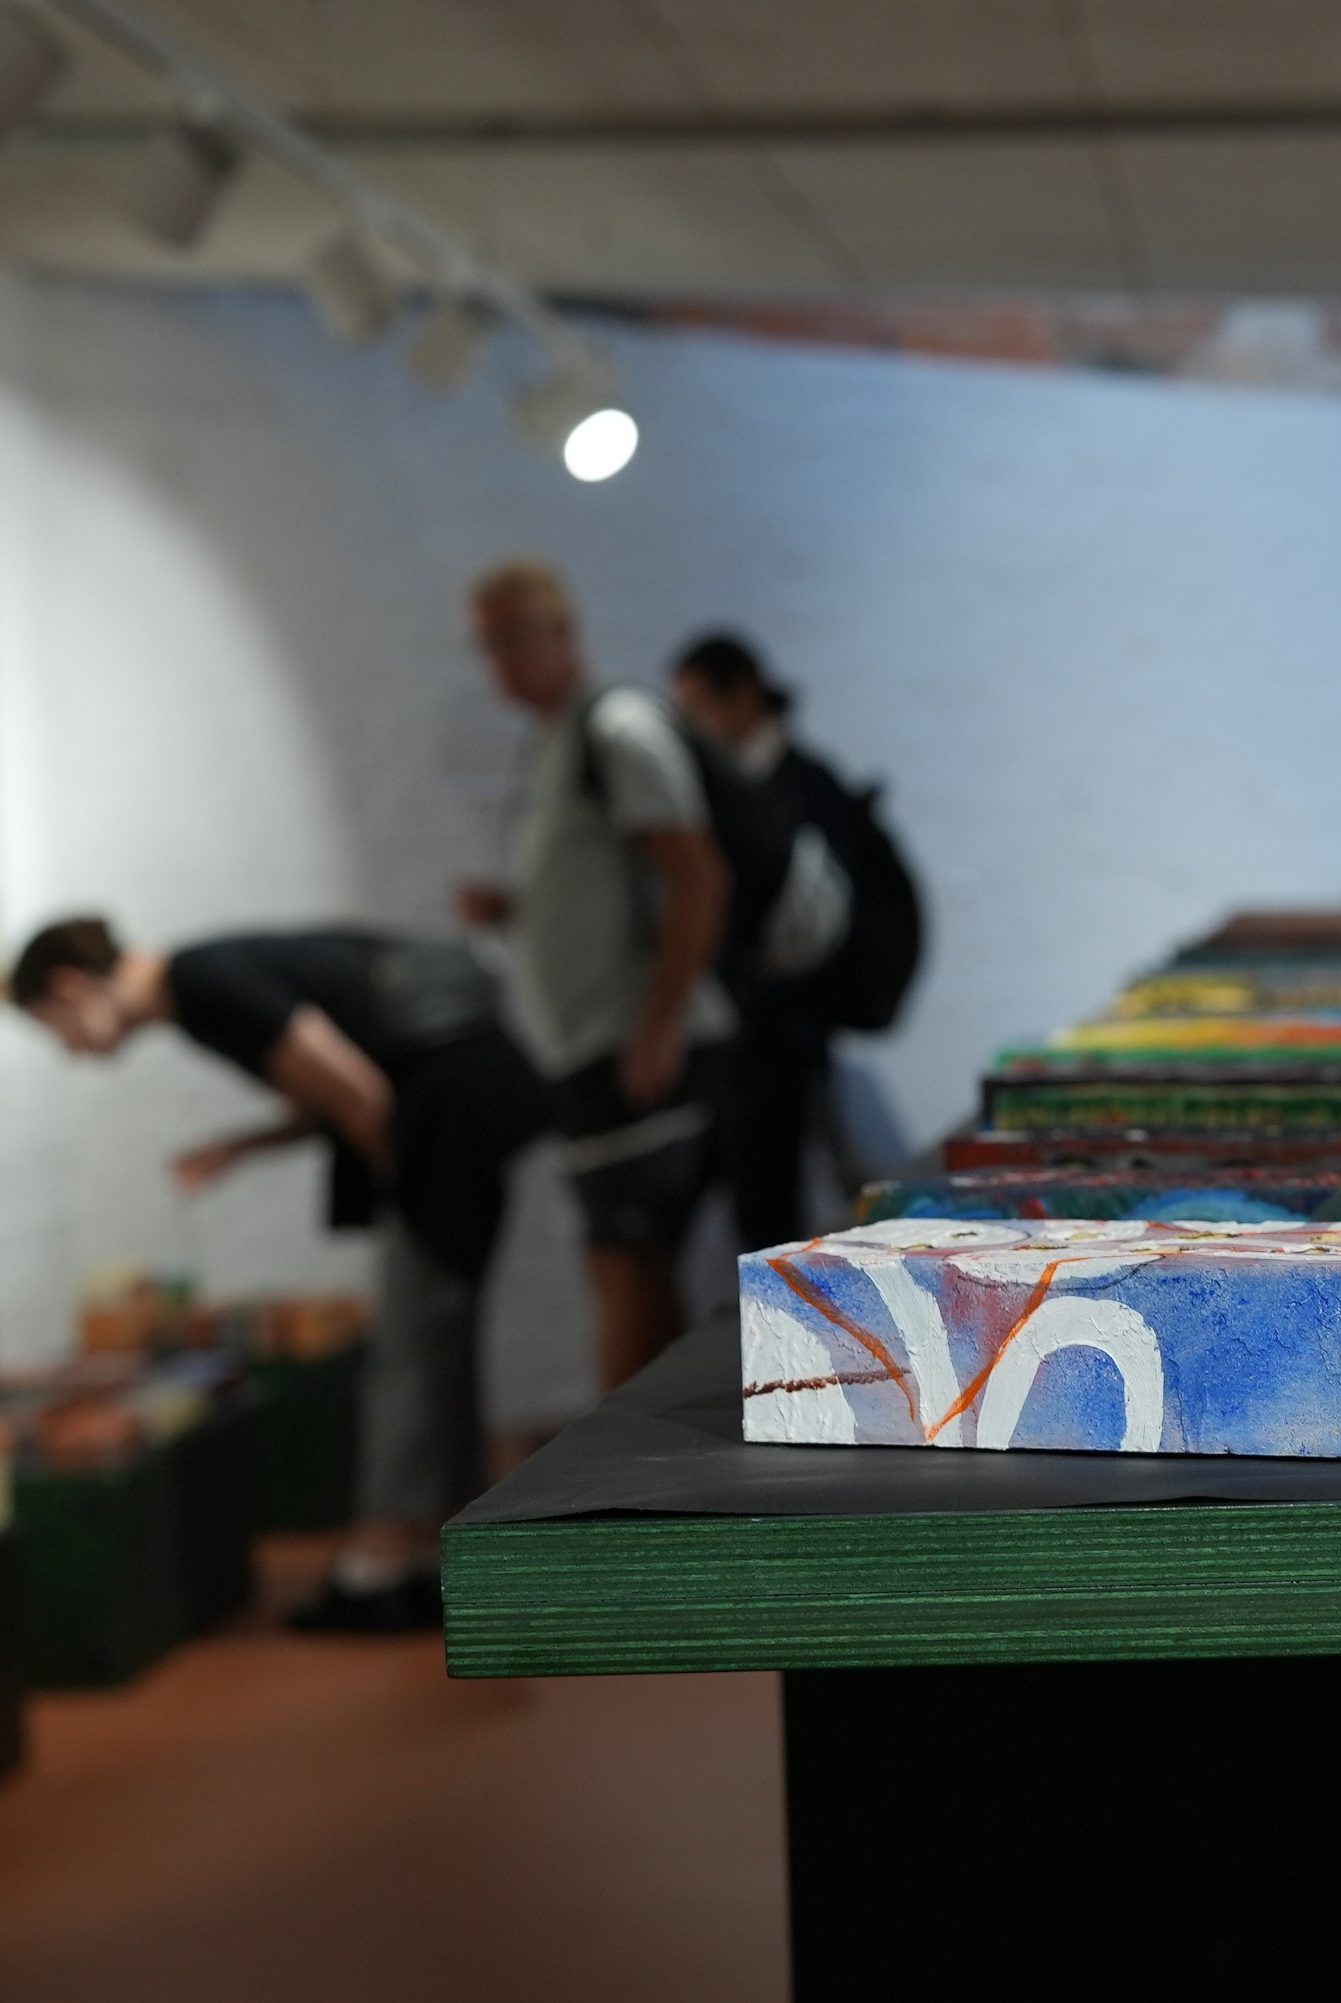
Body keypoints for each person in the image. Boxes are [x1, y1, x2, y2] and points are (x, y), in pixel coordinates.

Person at [8, 917, 548, 1631]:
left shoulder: (196, 982)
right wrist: (240, 1148)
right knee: (436, 1344)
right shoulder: (205, 976)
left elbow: (355, 1087)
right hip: (471, 1097)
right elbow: (331, 1081)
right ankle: (434, 1554)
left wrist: (400, 1183)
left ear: (72, 987)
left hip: (444, 1118)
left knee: (412, 1349)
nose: (73, 1052)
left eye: (57, 1029)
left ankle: (381, 1566)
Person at [459, 561, 735, 1388]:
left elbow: (698, 875)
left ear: (564, 634)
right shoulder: (554, 744)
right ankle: (649, 1479)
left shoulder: (613, 727)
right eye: (487, 645)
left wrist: (660, 1024)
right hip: (590, 1046)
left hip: (637, 1045)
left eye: (514, 638)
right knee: (623, 1264)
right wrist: (516, 911)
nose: (500, 662)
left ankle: (620, 1492)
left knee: (625, 1262)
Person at [671, 631, 922, 1249]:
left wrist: (759, 1000)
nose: (690, 726)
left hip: (779, 1028)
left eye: (698, 704)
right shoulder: (757, 783)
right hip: (763, 1025)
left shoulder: (799, 786)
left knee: (772, 1206)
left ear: (745, 695)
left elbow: (812, 921)